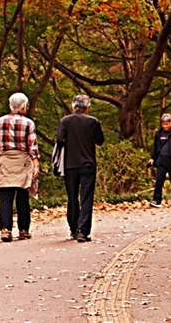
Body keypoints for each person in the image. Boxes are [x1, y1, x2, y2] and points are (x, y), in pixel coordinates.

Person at [0, 92, 39, 243]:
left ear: (11, 106)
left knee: (6, 197)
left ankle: (5, 230)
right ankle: (23, 230)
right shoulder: (29, 123)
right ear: (23, 107)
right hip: (23, 160)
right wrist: (36, 165)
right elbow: (33, 146)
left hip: (6, 161)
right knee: (22, 196)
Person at [55, 94, 104, 242]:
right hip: (88, 164)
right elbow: (100, 141)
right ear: (87, 108)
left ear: (73, 106)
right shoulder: (93, 122)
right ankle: (83, 231)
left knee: (72, 197)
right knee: (86, 198)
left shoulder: (65, 121)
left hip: (70, 164)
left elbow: (59, 139)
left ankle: (73, 229)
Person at [148, 112, 171, 207]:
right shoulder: (158, 134)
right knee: (159, 180)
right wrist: (153, 158)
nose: (165, 125)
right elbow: (156, 148)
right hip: (161, 160)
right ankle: (157, 200)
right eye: (163, 123)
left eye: (167, 123)